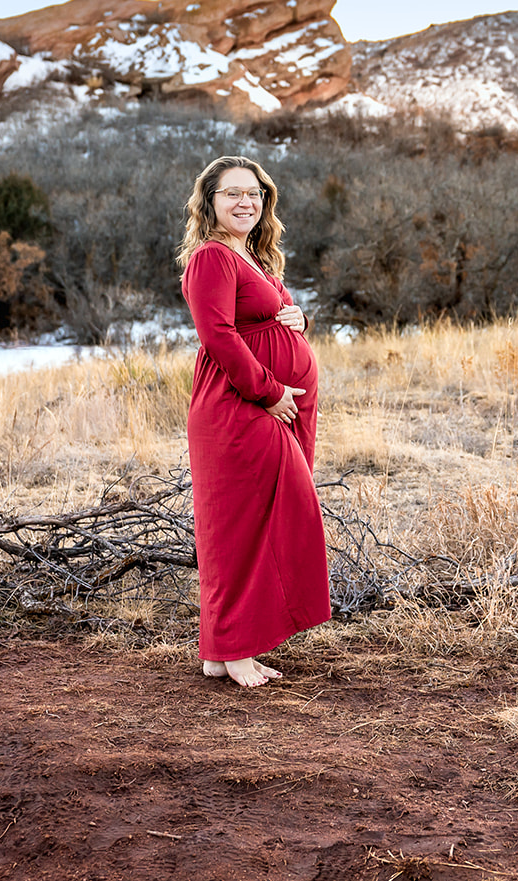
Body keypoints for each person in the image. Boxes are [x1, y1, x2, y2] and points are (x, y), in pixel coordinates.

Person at [178, 155, 330, 687]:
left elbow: (268, 318)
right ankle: (234, 649)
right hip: (238, 406)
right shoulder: (211, 258)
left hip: (266, 405)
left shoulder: (254, 257)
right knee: (238, 528)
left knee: (264, 522)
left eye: (254, 193)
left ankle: (224, 650)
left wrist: (299, 320)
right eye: (232, 193)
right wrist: (268, 391)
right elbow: (218, 335)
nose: (245, 202)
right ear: (210, 202)